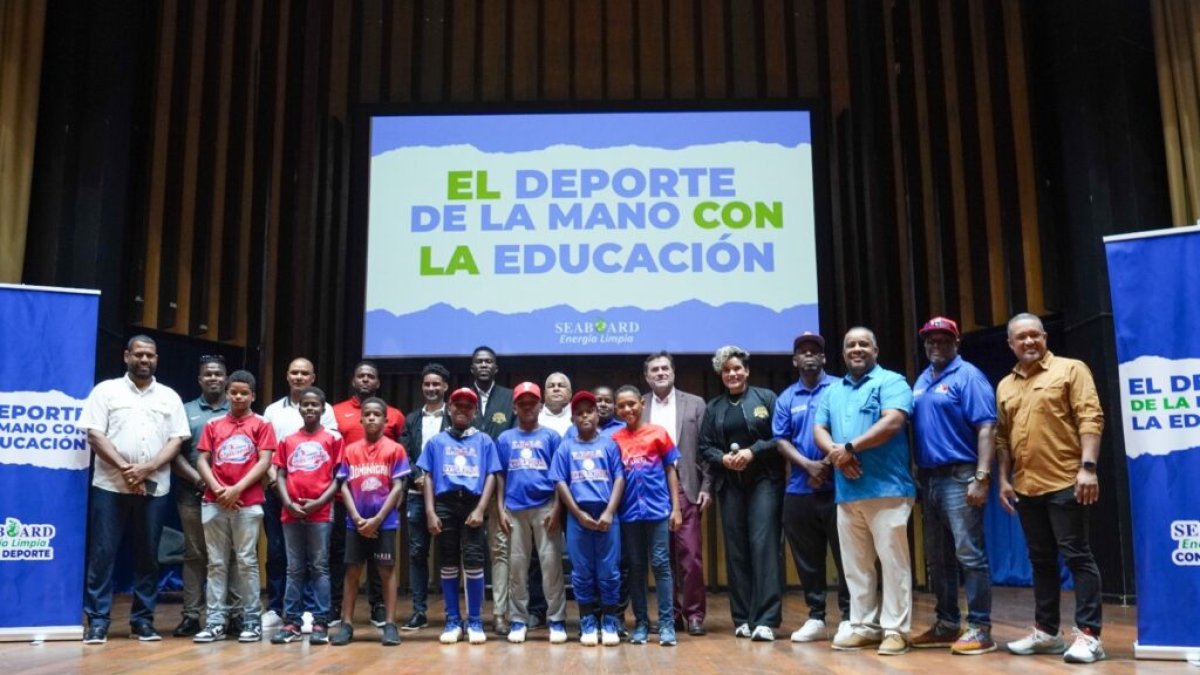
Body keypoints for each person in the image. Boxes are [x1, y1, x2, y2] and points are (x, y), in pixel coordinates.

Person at [996, 313, 1106, 664]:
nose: (1029, 342)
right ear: (1011, 344)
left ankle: (1089, 636)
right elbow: (1002, 436)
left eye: (1034, 335)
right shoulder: (1005, 385)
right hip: (1026, 485)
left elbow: (1091, 416)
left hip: (1065, 480)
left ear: (1044, 337)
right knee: (1040, 560)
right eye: (1021, 337)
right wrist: (1002, 478)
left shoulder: (1071, 369)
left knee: (1077, 556)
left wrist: (1088, 468)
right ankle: (1047, 632)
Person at [80, 335, 190, 644]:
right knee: (102, 554)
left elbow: (176, 440)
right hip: (110, 486)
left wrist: (146, 468)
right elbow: (95, 435)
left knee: (148, 557)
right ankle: (99, 621)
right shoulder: (106, 391)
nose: (145, 360)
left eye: (150, 355)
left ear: (156, 359)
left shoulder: (169, 396)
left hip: (153, 488)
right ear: (126, 355)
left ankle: (143, 621)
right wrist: (126, 469)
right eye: (139, 354)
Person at [815, 327, 916, 656]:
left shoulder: (891, 381)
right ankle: (864, 626)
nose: (857, 349)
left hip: (887, 488)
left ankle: (895, 630)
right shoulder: (832, 390)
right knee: (856, 566)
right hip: (847, 491)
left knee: (893, 563)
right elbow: (819, 428)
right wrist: (837, 454)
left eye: (863, 344)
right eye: (850, 345)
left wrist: (848, 448)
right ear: (843, 353)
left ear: (875, 349)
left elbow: (893, 422)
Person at [909, 317, 998, 655]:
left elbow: (987, 428)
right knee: (938, 559)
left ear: (956, 342)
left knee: (969, 555)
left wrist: (982, 476)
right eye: (930, 339)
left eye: (943, 339)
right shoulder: (922, 379)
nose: (936, 344)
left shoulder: (968, 376)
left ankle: (980, 627)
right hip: (930, 479)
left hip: (961, 476)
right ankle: (947, 624)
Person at [699, 346, 784, 642]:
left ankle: (767, 619)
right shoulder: (714, 407)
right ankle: (743, 617)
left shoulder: (766, 398)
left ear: (747, 370)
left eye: (737, 369)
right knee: (736, 550)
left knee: (763, 545)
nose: (732, 374)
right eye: (726, 370)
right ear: (721, 375)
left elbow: (779, 438)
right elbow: (704, 447)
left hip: (764, 480)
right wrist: (723, 459)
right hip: (730, 484)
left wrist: (752, 451)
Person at [772, 332, 851, 643]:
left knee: (846, 555)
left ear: (824, 358)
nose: (808, 355)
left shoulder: (840, 388)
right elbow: (781, 440)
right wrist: (808, 466)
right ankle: (816, 616)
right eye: (802, 351)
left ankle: (849, 616)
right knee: (807, 558)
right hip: (799, 489)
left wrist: (827, 464)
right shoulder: (786, 398)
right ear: (794, 360)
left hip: (839, 487)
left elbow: (849, 428)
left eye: (814, 351)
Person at [193, 370, 277, 643]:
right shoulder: (214, 424)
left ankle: (250, 620)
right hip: (213, 501)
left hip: (248, 502)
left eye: (244, 392)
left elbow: (264, 462)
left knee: (246, 562)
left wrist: (236, 489)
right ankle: (216, 621)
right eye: (234, 392)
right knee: (216, 563)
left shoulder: (262, 424)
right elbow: (202, 460)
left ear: (253, 395)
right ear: (227, 393)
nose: (238, 397)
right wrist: (217, 489)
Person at [419, 387, 502, 645]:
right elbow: (428, 477)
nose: (463, 409)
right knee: (448, 562)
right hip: (445, 504)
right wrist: (431, 512)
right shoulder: (436, 442)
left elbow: (491, 475)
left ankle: (475, 620)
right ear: (450, 409)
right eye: (458, 405)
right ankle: (452, 620)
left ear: (475, 412)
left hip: (472, 504)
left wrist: (481, 509)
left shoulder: (484, 440)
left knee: (475, 561)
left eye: (469, 406)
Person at [262, 357, 340, 631]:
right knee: (284, 559)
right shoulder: (275, 415)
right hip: (283, 498)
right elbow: (272, 459)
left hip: (319, 503)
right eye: (294, 372)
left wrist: (319, 500)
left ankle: (315, 615)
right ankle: (283, 613)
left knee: (318, 564)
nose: (298, 377)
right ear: (286, 375)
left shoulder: (329, 425)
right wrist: (283, 494)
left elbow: (334, 468)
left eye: (304, 373)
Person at [329, 397, 410, 647]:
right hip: (356, 523)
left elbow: (398, 486)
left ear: (387, 421)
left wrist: (377, 519)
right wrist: (356, 517)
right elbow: (343, 484)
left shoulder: (395, 449)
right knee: (352, 572)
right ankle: (346, 624)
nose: (372, 418)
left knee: (386, 571)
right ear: (361, 419)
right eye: (368, 414)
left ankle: (390, 625)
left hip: (384, 523)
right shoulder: (350, 450)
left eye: (377, 414)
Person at [643, 351, 711, 636]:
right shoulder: (639, 405)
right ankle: (670, 614)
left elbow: (706, 448)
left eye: (665, 368)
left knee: (690, 554)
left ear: (674, 372)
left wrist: (707, 485)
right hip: (650, 489)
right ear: (647, 377)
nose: (660, 373)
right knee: (661, 557)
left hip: (687, 486)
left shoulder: (695, 404)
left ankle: (694, 614)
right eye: (655, 369)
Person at [496, 382, 568, 644]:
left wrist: (558, 508)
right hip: (514, 510)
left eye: (532, 402)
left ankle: (557, 620)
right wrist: (500, 508)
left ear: (540, 405)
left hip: (546, 507)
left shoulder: (551, 437)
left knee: (551, 566)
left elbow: (560, 476)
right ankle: (518, 619)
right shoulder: (504, 438)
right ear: (515, 407)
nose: (527, 406)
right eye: (522, 402)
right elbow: (500, 477)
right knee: (517, 567)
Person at [553, 390, 626, 647]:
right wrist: (577, 513)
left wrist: (609, 511)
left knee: (609, 572)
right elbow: (560, 481)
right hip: (578, 517)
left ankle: (609, 621)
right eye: (579, 413)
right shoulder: (566, 446)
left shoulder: (609, 444)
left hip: (607, 515)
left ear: (598, 415)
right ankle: (587, 621)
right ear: (573, 418)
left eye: (589, 411)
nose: (585, 416)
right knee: (582, 572)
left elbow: (619, 477)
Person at [611, 385, 683, 647]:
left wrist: (675, 508)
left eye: (632, 404)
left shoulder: (658, 434)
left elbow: (670, 471)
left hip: (657, 511)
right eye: (622, 406)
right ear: (617, 410)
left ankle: (666, 625)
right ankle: (641, 623)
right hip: (629, 514)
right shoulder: (615, 439)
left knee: (662, 565)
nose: (627, 409)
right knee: (636, 568)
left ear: (642, 404)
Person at [172, 355, 235, 638]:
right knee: (195, 555)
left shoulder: (237, 409)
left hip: (228, 497)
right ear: (199, 379)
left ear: (226, 378)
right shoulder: (185, 411)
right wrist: (199, 480)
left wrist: (224, 487)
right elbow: (174, 454)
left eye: (218, 374)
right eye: (207, 374)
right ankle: (190, 616)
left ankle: (231, 615)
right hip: (191, 493)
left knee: (229, 556)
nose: (213, 378)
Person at [397, 362, 451, 631]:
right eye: (427, 384)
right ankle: (419, 611)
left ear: (445, 387)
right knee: (418, 554)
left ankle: (453, 612)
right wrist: (418, 475)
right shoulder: (411, 419)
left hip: (448, 496)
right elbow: (404, 453)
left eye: (436, 384)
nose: (431, 388)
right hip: (417, 494)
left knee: (450, 553)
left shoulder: (454, 417)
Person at [468, 346, 517, 635]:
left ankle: (500, 613)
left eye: (489, 362)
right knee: (469, 554)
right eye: (479, 362)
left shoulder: (509, 398)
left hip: (502, 488)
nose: (484, 365)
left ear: (496, 368)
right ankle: (470, 614)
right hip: (468, 489)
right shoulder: (461, 398)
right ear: (472, 368)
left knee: (500, 552)